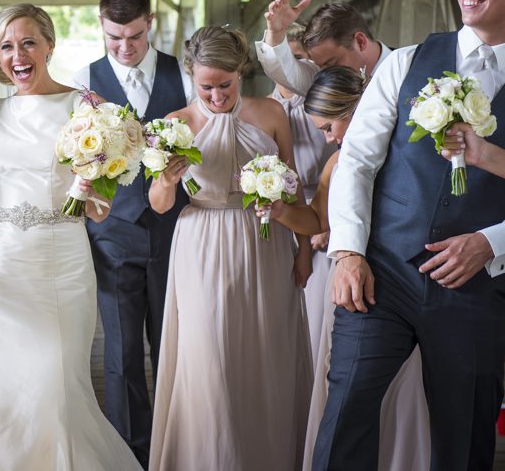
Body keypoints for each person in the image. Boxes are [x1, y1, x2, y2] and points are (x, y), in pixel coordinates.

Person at [315, 0, 505, 470]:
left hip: (474, 286)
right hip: (381, 273)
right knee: (345, 413)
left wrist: (495, 240)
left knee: (465, 434)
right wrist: (349, 253)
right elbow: (356, 161)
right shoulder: (405, 62)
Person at [0, 4, 140, 471]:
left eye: (28, 42)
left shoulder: (89, 109)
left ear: (50, 46)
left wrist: (88, 183)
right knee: (1, 384)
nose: (17, 55)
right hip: (0, 265)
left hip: (63, 264)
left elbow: (98, 212)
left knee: (57, 382)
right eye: (5, 47)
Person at [147, 25, 312, 471]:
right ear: (190, 77)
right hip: (200, 242)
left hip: (264, 243)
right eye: (206, 87)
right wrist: (165, 179)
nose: (217, 96)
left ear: (241, 72)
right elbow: (159, 206)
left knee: (264, 355)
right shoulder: (175, 125)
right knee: (210, 357)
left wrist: (303, 251)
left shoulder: (271, 115)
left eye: (226, 84)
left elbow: (293, 192)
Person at [258, 66, 430, 471]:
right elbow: (318, 221)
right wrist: (281, 210)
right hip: (350, 289)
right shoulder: (336, 162)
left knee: (405, 393)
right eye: (320, 130)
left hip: (405, 280)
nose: (329, 138)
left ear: (360, 108)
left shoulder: (408, 153)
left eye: (331, 125)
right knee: (349, 395)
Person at [71, 0, 193, 465]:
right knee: (120, 356)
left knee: (173, 346)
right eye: (114, 38)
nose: (124, 48)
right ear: (102, 27)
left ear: (151, 24)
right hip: (112, 235)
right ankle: (129, 454)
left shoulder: (181, 74)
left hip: (176, 231)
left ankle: (173, 445)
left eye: (135, 37)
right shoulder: (84, 80)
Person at [267, 25, 335, 363]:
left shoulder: (326, 109)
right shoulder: (260, 111)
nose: (286, 66)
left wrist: (326, 221)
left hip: (322, 217)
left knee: (316, 325)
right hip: (276, 218)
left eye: (296, 59)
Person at [257, 0, 392, 97]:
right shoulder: (328, 79)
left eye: (333, 62)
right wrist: (276, 31)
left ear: (360, 42)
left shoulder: (407, 67)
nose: (327, 74)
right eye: (321, 67)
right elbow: (286, 73)